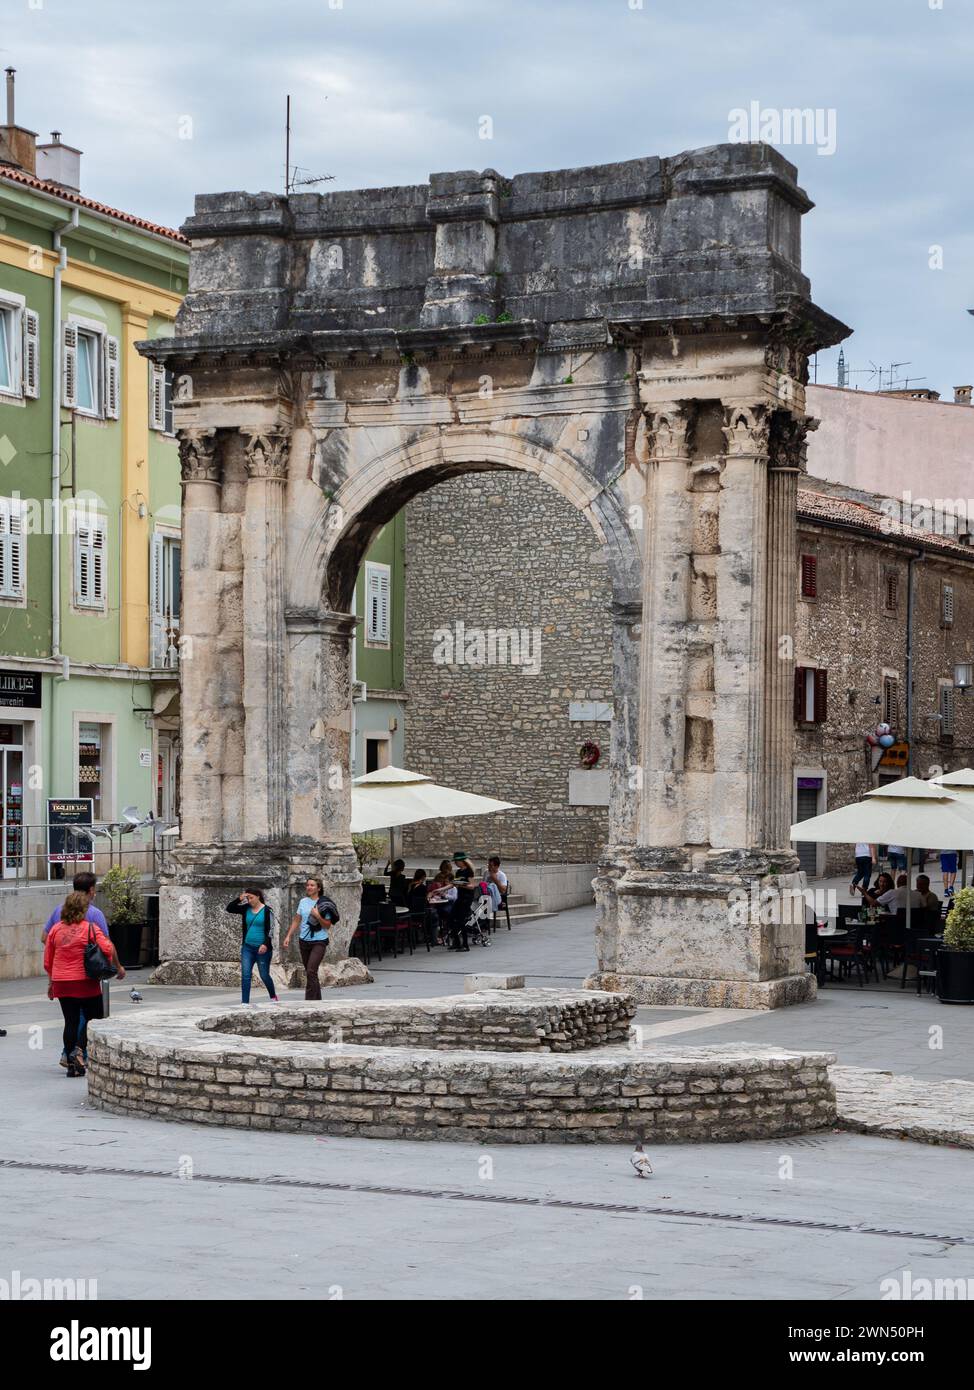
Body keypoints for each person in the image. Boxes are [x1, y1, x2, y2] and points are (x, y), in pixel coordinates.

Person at [44, 891, 125, 1077]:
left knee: (70, 1021)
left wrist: (51, 983)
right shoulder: (90, 928)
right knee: (94, 1017)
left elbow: (48, 960)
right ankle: (80, 1050)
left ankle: (72, 1063)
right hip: (85, 982)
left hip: (62, 982)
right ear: (83, 909)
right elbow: (107, 948)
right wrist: (118, 967)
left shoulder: (56, 929)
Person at [283, 877, 339, 1001]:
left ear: (318, 888)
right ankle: (317, 1000)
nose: (309, 887)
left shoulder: (325, 904)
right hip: (304, 941)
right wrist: (288, 936)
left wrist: (318, 916)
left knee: (311, 971)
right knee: (311, 973)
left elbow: (327, 925)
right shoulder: (303, 901)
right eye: (308, 885)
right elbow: (297, 920)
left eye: (312, 885)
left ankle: (309, 1000)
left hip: (319, 941)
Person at [226, 887, 280, 1006]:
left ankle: (273, 996)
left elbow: (271, 930)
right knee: (246, 975)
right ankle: (245, 1002)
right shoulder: (246, 908)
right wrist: (239, 899)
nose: (249, 900)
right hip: (247, 947)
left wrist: (265, 944)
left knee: (264, 975)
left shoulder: (267, 911)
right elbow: (229, 909)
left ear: (258, 897)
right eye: (247, 898)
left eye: (251, 897)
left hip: (262, 949)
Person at [858, 873, 924, 913]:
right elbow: (925, 907)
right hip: (915, 924)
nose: (882, 884)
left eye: (884, 882)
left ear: (897, 883)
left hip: (895, 924)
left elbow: (874, 903)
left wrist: (864, 893)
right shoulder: (918, 894)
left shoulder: (892, 892)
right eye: (880, 881)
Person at [427, 870, 457, 946]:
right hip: (444, 904)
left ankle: (443, 930)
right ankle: (438, 931)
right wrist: (439, 895)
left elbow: (454, 897)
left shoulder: (454, 889)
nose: (446, 883)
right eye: (445, 881)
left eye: (447, 882)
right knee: (436, 910)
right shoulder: (444, 887)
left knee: (441, 912)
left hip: (450, 906)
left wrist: (445, 895)